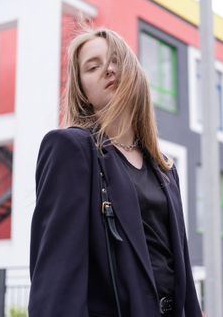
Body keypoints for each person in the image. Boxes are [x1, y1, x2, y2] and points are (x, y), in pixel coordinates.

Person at [28, 27, 202, 317]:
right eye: (92, 67)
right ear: (82, 90)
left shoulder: (165, 169)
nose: (108, 70)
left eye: (115, 60)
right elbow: (55, 280)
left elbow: (181, 273)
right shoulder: (71, 149)